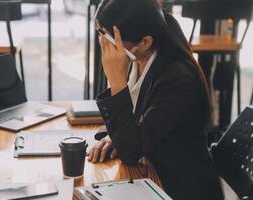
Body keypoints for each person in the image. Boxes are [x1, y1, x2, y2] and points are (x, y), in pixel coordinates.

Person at [87, 0, 224, 199]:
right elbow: (139, 127)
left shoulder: (177, 78)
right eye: (100, 32)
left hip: (180, 187)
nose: (104, 44)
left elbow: (132, 151)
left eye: (109, 38)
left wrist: (116, 81)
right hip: (153, 171)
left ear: (144, 42)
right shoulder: (139, 58)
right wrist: (114, 138)